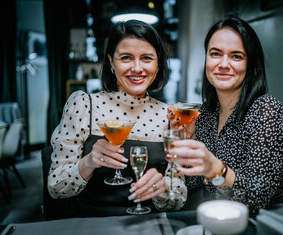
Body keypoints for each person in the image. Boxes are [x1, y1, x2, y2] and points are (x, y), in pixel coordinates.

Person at [166, 15, 283, 217]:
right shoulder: (205, 114)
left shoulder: (268, 111)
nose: (223, 64)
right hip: (226, 221)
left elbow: (258, 198)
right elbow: (196, 182)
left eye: (236, 56)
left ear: (251, 64)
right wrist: (189, 140)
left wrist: (217, 168)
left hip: (277, 223)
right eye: (215, 54)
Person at [47, 20, 187, 217]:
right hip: (89, 224)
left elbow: (178, 196)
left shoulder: (171, 115)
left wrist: (163, 190)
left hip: (148, 225)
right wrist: (89, 163)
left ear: (158, 62)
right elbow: (55, 188)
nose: (137, 68)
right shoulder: (83, 104)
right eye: (126, 58)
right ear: (111, 62)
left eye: (147, 58)